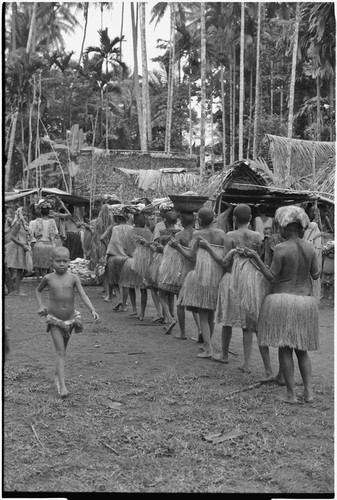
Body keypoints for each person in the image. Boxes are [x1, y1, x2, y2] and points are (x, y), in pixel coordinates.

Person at [243, 205, 319, 404]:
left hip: (283, 300)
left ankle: (291, 395)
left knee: (285, 347)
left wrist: (255, 258)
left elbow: (271, 277)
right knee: (302, 349)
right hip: (305, 302)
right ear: (300, 227)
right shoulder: (310, 247)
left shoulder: (281, 249)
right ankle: (309, 393)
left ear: (285, 228)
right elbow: (316, 274)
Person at [202, 204, 276, 379]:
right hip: (252, 281)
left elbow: (225, 262)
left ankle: (225, 355)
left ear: (234, 219)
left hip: (232, 279)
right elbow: (264, 261)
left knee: (227, 319)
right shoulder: (258, 236)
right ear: (250, 219)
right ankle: (247, 363)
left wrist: (209, 249)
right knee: (248, 323)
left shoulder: (230, 236)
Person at [35, 246, 99, 398]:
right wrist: (41, 305)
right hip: (54, 320)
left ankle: (57, 376)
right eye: (58, 261)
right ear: (52, 262)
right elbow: (38, 291)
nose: (61, 264)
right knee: (60, 351)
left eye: (65, 261)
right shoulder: (48, 278)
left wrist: (92, 310)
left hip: (71, 320)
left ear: (69, 261)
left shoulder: (73, 278)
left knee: (64, 349)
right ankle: (63, 387)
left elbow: (83, 295)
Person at [173, 208, 225, 359]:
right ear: (213, 219)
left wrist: (177, 248)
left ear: (200, 221)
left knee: (203, 313)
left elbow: (191, 256)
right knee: (211, 312)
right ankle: (206, 344)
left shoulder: (197, 234)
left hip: (202, 275)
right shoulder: (221, 234)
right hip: (217, 275)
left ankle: (208, 348)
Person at [166, 212, 201, 341]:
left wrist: (177, 246)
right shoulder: (199, 234)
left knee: (180, 303)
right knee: (195, 302)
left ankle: (182, 332)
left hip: (184, 270)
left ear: (181, 222)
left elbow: (176, 255)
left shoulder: (179, 235)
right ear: (194, 221)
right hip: (198, 269)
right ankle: (200, 330)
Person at [119, 212, 153, 319]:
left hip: (131, 261)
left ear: (134, 220)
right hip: (144, 262)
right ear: (144, 220)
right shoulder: (148, 232)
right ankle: (142, 313)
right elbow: (151, 246)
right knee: (143, 289)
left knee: (130, 285)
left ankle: (134, 309)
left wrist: (130, 254)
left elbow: (124, 247)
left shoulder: (130, 232)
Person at [101, 208, 133, 310]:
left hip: (114, 257)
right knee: (126, 283)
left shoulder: (114, 228)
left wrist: (108, 246)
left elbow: (102, 238)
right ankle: (124, 305)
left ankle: (119, 299)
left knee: (113, 281)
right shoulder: (132, 228)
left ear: (116, 218)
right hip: (126, 258)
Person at [5, 206, 32, 296]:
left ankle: (14, 287)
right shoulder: (18, 223)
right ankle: (17, 289)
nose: (26, 216)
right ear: (20, 214)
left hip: (23, 247)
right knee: (20, 269)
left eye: (26, 215)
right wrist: (22, 244)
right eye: (23, 215)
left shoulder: (25, 224)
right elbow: (12, 237)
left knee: (25, 270)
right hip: (18, 248)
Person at [30, 199, 59, 280]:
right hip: (50, 245)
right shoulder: (52, 221)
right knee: (49, 264)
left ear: (41, 212)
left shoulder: (36, 221)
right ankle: (49, 279)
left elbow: (32, 233)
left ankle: (40, 279)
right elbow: (56, 232)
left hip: (39, 245)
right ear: (49, 212)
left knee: (40, 263)